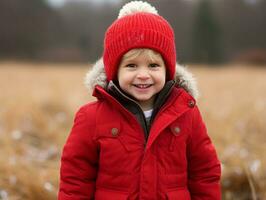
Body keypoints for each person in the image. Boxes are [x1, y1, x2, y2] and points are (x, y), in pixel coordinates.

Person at [58, 1, 221, 199]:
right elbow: (76, 179)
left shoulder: (186, 113)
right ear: (114, 71)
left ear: (168, 69)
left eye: (153, 65)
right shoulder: (91, 117)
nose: (143, 75)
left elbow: (204, 173)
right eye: (132, 66)